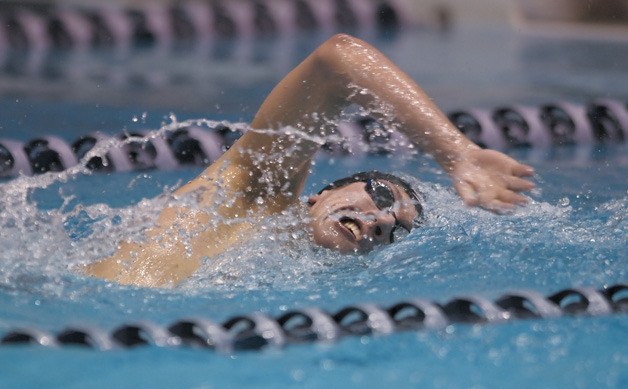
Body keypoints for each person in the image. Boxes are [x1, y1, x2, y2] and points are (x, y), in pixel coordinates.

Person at [84, 33, 535, 287]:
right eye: (381, 196)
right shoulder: (252, 196)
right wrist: (457, 154)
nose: (380, 218)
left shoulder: (285, 283)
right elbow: (338, 58)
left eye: (395, 229)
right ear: (321, 194)